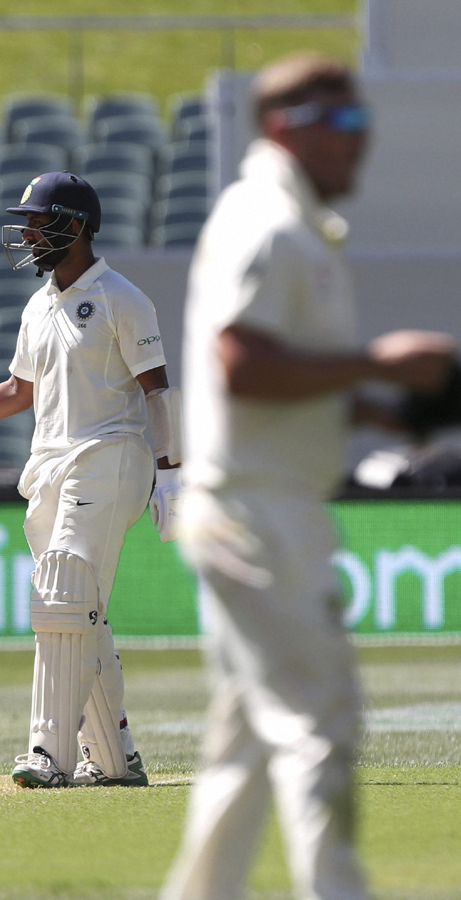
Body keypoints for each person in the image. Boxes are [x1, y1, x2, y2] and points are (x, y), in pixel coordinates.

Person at [161, 54, 455, 900]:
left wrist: (373, 408)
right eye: (348, 125)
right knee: (319, 723)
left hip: (259, 502)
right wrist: (379, 361)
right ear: (288, 125)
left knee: (247, 743)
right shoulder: (267, 223)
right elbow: (243, 365)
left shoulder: (295, 224)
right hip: (258, 513)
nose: (361, 146)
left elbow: (272, 377)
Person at [0, 171, 182, 788]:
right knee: (79, 612)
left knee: (61, 590)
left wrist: (170, 471)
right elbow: (21, 391)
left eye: (37, 221)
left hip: (110, 453)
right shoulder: (39, 303)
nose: (26, 232)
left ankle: (49, 753)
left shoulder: (123, 299)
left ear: (74, 226)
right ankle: (116, 757)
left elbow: (157, 389)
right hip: (48, 464)